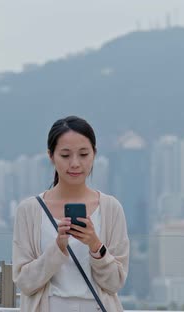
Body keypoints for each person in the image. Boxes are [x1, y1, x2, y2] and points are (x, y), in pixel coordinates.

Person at [12, 116, 129, 312]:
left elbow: (115, 282)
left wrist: (95, 245)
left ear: (94, 154)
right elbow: (24, 282)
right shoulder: (30, 210)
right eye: (65, 155)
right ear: (51, 156)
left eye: (83, 154)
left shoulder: (111, 208)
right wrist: (57, 248)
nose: (75, 163)